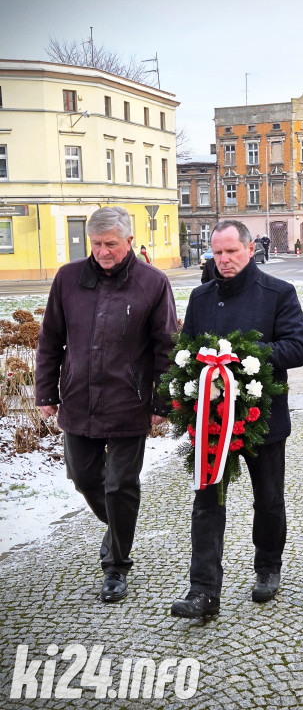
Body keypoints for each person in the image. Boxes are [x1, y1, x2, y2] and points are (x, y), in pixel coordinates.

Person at [35, 207, 177, 603]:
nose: (102, 251)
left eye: (110, 244)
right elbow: (50, 339)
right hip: (78, 399)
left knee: (120, 486)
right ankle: (117, 526)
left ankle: (116, 566)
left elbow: (167, 346)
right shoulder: (68, 278)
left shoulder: (152, 283)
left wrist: (160, 401)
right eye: (96, 244)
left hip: (128, 403)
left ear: (129, 241)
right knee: (83, 478)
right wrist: (46, 392)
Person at [171, 220, 303, 620]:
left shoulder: (278, 292)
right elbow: (186, 352)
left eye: (231, 252)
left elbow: (297, 347)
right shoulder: (199, 297)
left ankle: (267, 567)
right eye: (217, 253)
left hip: (260, 417)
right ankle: (203, 590)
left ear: (250, 250)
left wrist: (245, 359)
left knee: (268, 499)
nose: (224, 260)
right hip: (212, 421)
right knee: (207, 501)